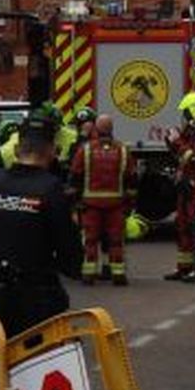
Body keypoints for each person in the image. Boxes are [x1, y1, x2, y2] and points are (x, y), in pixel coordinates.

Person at [0, 113, 84, 337]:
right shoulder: (51, 189)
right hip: (35, 302)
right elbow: (70, 252)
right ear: (51, 150)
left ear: (18, 148)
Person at [69, 114, 134, 286]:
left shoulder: (86, 149)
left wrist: (75, 203)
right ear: (112, 130)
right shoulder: (123, 150)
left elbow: (75, 175)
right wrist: (130, 204)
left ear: (96, 129)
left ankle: (88, 274)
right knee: (115, 240)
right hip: (116, 204)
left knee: (90, 240)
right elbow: (131, 180)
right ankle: (117, 273)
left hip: (91, 205)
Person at [164, 92, 195, 281]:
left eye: (185, 113)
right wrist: (171, 142)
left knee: (194, 227)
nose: (183, 118)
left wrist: (177, 142)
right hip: (185, 186)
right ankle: (184, 266)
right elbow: (181, 157)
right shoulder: (190, 132)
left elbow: (194, 157)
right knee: (182, 226)